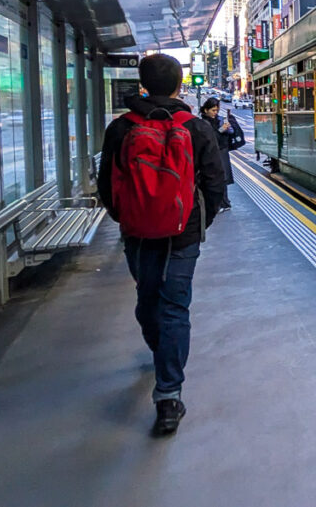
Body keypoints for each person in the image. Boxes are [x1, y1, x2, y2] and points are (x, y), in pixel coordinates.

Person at [98, 54, 225, 435]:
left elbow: (107, 184)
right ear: (179, 84)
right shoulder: (196, 127)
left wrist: (128, 218)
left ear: (142, 84)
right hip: (183, 233)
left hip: (137, 231)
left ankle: (159, 352)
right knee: (175, 306)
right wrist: (197, 223)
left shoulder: (121, 127)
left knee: (148, 297)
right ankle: (169, 395)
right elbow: (215, 184)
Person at [200, 97, 235, 210]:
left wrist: (228, 128)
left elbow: (231, 132)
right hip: (211, 153)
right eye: (213, 110)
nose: (215, 113)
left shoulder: (220, 119)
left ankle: (224, 202)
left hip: (222, 151)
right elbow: (210, 137)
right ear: (206, 110)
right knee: (216, 178)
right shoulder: (203, 123)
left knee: (223, 177)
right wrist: (221, 130)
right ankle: (218, 203)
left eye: (217, 110)